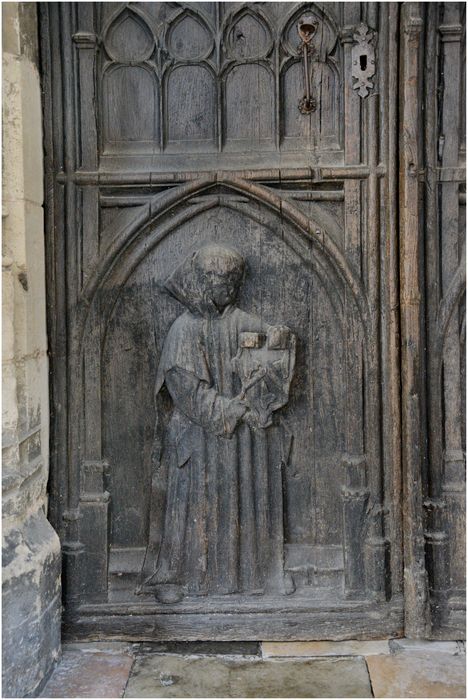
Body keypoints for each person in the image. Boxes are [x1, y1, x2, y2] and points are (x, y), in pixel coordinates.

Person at [138, 244, 295, 603]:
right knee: (197, 504)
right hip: (198, 436)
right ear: (205, 281)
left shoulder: (242, 322)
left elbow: (272, 351)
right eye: (224, 280)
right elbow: (187, 394)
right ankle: (181, 577)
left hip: (240, 441)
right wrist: (230, 409)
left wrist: (279, 340)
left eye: (235, 280)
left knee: (246, 496)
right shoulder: (184, 329)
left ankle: (259, 574)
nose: (231, 287)